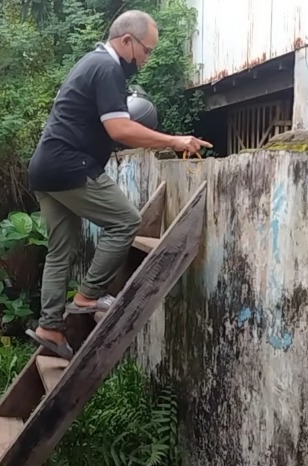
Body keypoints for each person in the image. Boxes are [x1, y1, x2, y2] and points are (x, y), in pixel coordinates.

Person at [27, 10, 211, 360]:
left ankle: (49, 326)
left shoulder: (91, 64)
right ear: (127, 40)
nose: (145, 60)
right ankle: (89, 295)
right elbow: (120, 129)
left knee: (59, 251)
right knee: (125, 221)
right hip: (69, 167)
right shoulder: (107, 67)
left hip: (45, 168)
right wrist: (175, 141)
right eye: (147, 51)